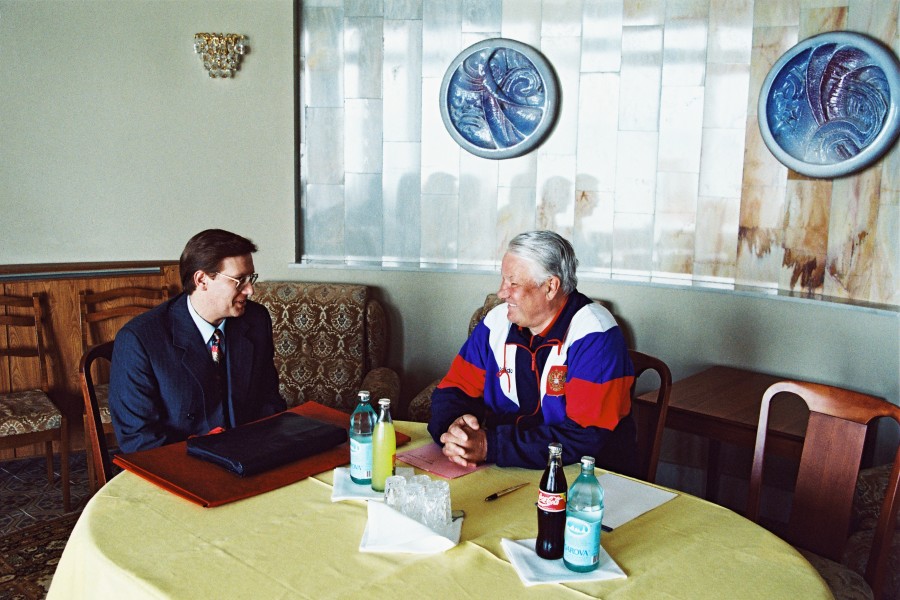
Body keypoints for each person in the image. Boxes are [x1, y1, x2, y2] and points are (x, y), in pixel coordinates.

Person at [427, 230, 637, 472]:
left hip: (586, 475)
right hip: (507, 466)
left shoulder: (594, 334)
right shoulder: (496, 323)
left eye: (513, 283)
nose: (502, 292)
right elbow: (453, 389)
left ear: (550, 287)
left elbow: (584, 436)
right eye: (503, 280)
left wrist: (490, 446)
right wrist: (455, 430)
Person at [109, 229, 286, 453]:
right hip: (180, 462)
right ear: (201, 280)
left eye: (251, 278)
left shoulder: (256, 319)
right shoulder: (139, 340)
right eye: (240, 280)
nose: (250, 290)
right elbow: (139, 438)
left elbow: (268, 400)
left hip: (249, 454)